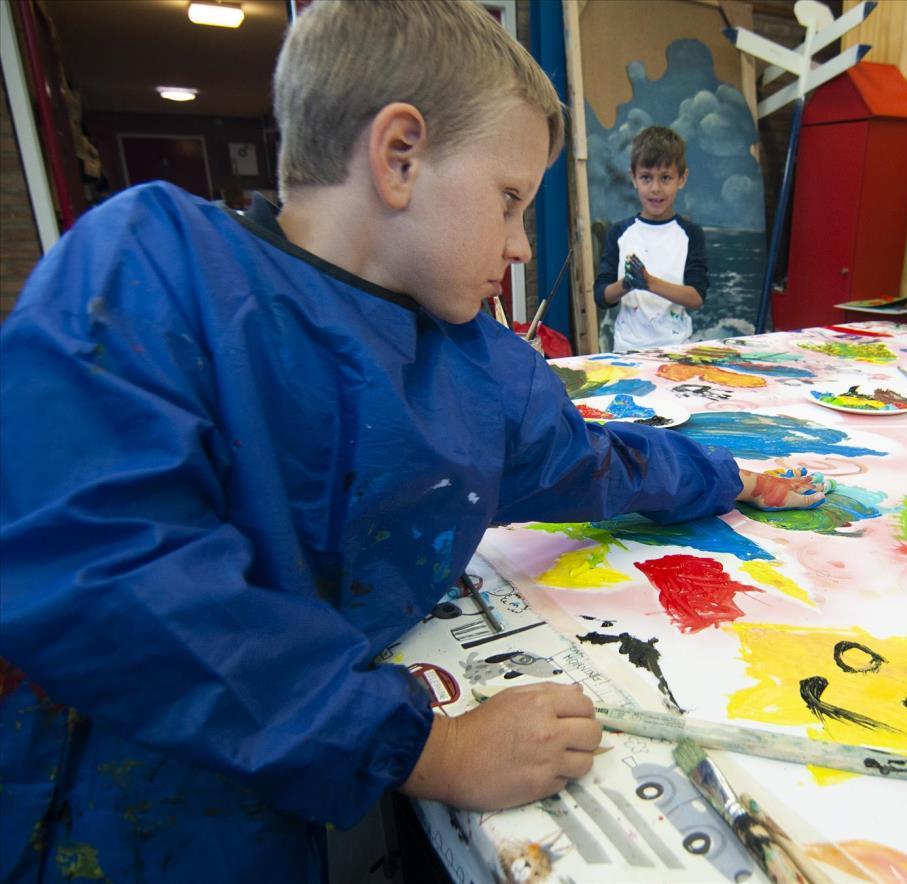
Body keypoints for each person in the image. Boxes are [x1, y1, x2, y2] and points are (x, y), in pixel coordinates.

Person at [0, 2, 825, 881]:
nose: (518, 246)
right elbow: (110, 580)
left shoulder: (477, 361)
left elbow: (590, 465)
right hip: (123, 809)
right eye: (509, 201)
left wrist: (724, 476)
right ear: (399, 156)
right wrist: (431, 751)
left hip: (300, 809)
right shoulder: (149, 267)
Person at [594, 126, 706, 352]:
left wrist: (648, 282)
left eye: (665, 178)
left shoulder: (691, 234)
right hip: (627, 352)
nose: (655, 188)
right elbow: (602, 296)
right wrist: (627, 283)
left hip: (677, 351)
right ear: (634, 178)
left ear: (682, 179)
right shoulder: (620, 233)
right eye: (646, 177)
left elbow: (696, 298)